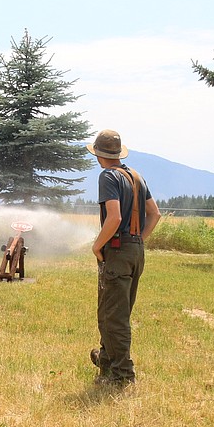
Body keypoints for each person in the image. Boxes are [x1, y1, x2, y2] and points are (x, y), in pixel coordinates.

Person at [88, 129, 161, 386]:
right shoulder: (136, 176)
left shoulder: (107, 176)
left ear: (98, 154)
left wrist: (98, 246)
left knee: (113, 316)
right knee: (116, 311)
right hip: (135, 251)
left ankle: (122, 375)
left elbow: (115, 217)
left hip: (118, 252)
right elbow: (155, 214)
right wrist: (138, 239)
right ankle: (107, 360)